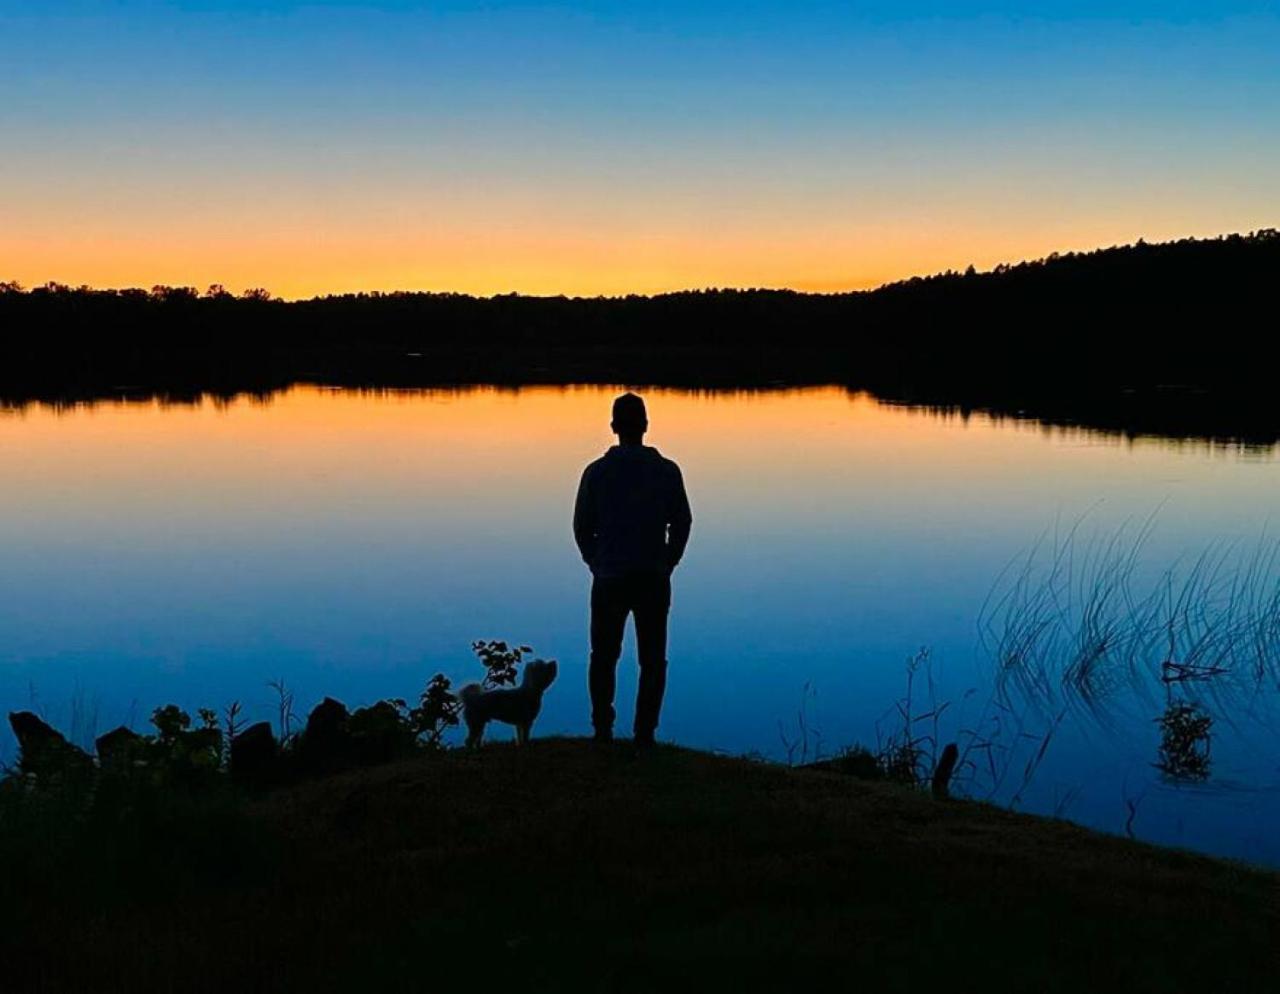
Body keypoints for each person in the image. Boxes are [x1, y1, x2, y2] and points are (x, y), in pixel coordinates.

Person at [573, 393, 692, 746]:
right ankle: (644, 733)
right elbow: (682, 521)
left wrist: (595, 562)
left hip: (609, 577)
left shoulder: (596, 473)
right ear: (645, 426)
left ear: (613, 428)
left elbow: (581, 527)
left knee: (603, 656)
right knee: (653, 660)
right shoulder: (667, 471)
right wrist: (670, 560)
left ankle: (602, 729)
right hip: (652, 577)